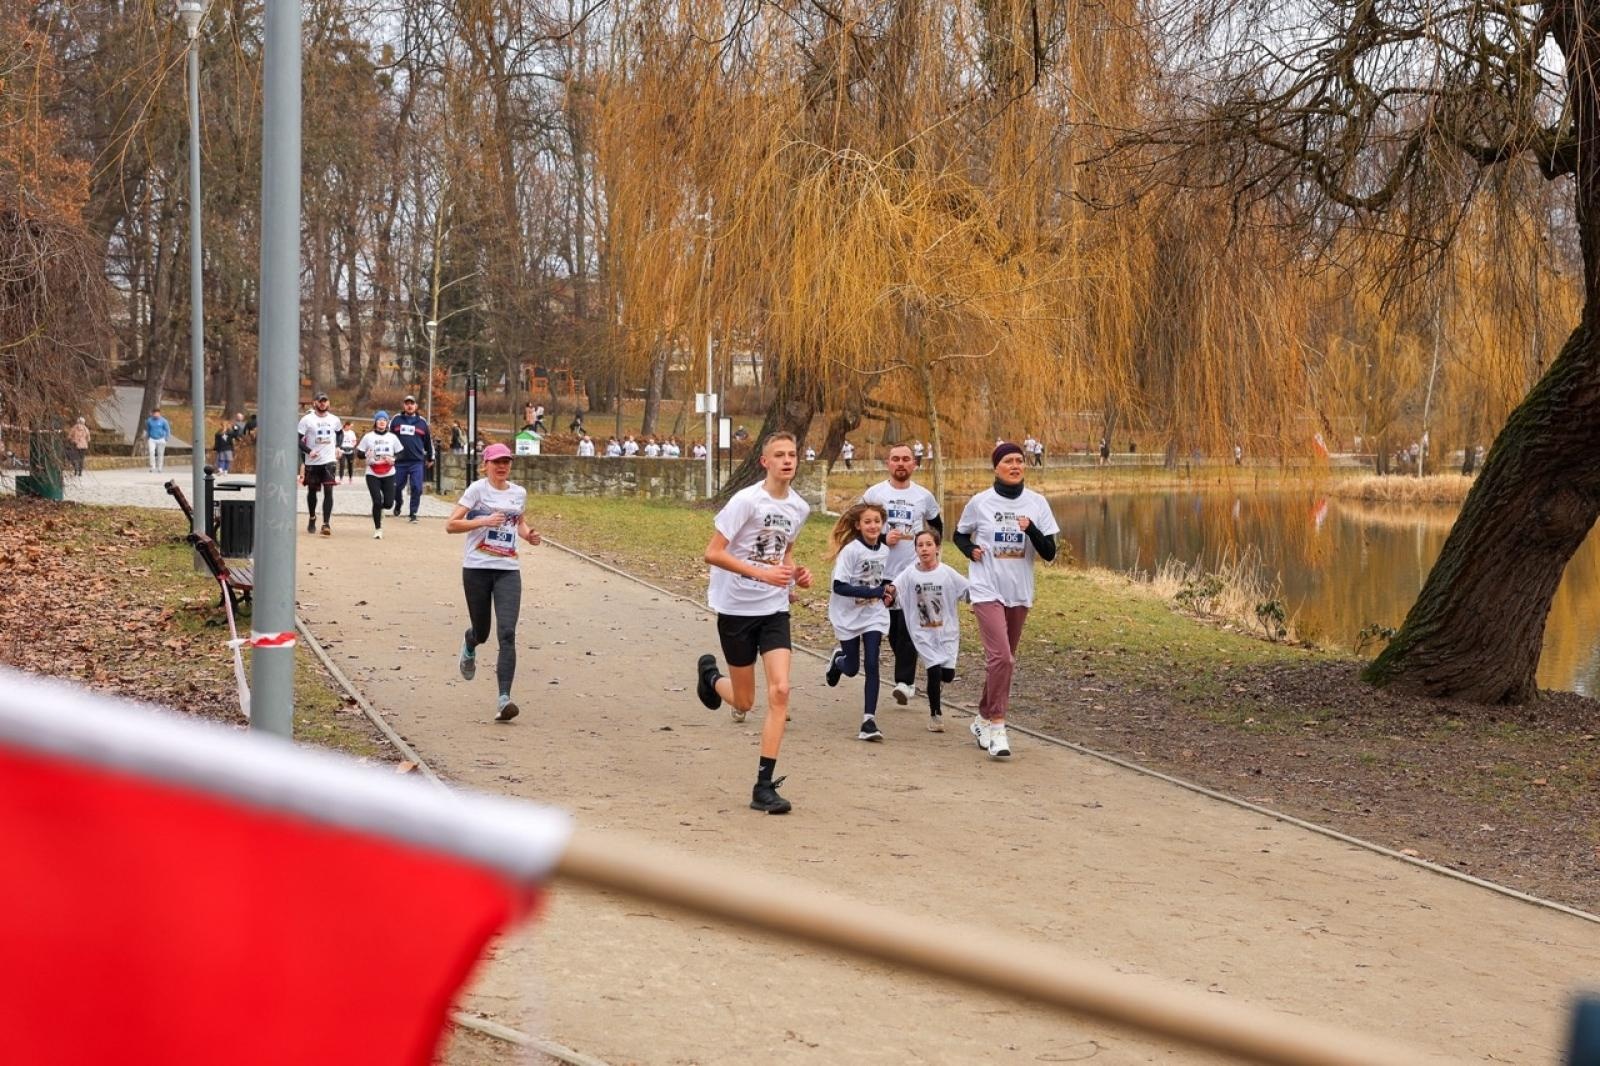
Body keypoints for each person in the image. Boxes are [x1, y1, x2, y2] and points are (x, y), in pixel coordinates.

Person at [693, 432, 814, 814]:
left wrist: (795, 576)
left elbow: (785, 554)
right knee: (745, 700)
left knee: (781, 691)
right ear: (765, 462)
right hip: (736, 609)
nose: (787, 460)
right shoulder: (746, 501)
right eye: (779, 455)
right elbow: (713, 553)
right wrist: (761, 574)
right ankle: (711, 677)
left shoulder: (799, 507)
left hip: (773, 610)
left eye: (792, 454)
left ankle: (763, 787)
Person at [954, 441, 1060, 760]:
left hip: (1019, 590)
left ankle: (982, 718)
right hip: (986, 587)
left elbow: (1050, 553)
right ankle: (998, 726)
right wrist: (970, 550)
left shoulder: (1037, 503)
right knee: (1002, 657)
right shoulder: (980, 502)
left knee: (1003, 661)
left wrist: (1032, 530)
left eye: (1019, 460)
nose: (1015, 466)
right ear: (996, 467)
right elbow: (960, 534)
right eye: (1009, 461)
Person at [447, 442, 542, 722]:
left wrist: (528, 535)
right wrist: (483, 521)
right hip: (476, 569)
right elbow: (451, 525)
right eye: (496, 462)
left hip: (507, 570)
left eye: (506, 462)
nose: (502, 466)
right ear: (486, 464)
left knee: (507, 633)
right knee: (483, 632)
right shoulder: (476, 490)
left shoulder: (518, 493)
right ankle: (470, 642)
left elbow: (518, 523)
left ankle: (504, 699)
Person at [861, 442, 943, 706]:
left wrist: (932, 555)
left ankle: (904, 683)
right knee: (892, 631)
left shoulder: (924, 496)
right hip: (880, 573)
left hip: (912, 574)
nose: (900, 463)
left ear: (914, 464)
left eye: (906, 459)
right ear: (888, 463)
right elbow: (857, 528)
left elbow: (937, 527)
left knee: (909, 627)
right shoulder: (875, 494)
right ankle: (905, 676)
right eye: (895, 459)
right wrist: (882, 538)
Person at [822, 503, 894, 742]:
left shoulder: (885, 551)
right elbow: (839, 586)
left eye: (877, 521)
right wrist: (873, 592)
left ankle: (868, 721)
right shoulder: (850, 551)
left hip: (873, 614)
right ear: (858, 525)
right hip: (847, 614)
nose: (873, 526)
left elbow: (880, 581)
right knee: (852, 668)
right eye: (867, 522)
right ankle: (839, 661)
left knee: (872, 662)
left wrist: (887, 592)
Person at [887, 529, 969, 732]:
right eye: (920, 545)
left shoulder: (947, 573)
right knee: (933, 670)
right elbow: (895, 588)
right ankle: (935, 715)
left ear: (937, 548)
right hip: (922, 632)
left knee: (947, 675)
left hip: (947, 631)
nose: (924, 549)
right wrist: (889, 594)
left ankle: (937, 684)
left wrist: (981, 600)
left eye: (929, 544)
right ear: (915, 549)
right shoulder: (910, 573)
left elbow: (967, 590)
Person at [297, 393, 342, 536]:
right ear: (314, 403)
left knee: (328, 490)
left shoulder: (334, 419)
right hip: (312, 461)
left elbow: (340, 433)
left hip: (329, 460)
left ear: (329, 403)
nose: (323, 403)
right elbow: (296, 439)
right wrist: (309, 451)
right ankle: (312, 517)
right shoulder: (307, 420)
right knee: (312, 491)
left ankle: (326, 523)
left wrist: (338, 446)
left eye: (325, 401)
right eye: (320, 401)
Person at [357, 411, 402, 539]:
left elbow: (401, 453)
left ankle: (381, 510)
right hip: (372, 473)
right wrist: (366, 454)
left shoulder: (392, 437)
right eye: (379, 420)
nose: (382, 422)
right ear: (375, 422)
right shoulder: (368, 437)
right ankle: (378, 529)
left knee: (388, 504)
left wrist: (394, 459)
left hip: (389, 473)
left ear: (387, 423)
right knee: (377, 501)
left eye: (384, 420)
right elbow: (359, 453)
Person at [389, 395, 433, 524]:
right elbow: (389, 438)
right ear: (404, 406)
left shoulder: (422, 422)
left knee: (417, 487)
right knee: (396, 487)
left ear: (416, 406)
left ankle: (413, 513)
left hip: (416, 461)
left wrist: (430, 457)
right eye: (407, 403)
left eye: (412, 403)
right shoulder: (396, 419)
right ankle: (398, 503)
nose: (409, 406)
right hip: (399, 461)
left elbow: (428, 441)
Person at [145, 408, 171, 472]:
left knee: (160, 453)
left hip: (161, 439)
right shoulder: (149, 421)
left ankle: (159, 467)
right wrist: (147, 436)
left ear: (159, 414)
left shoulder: (163, 421)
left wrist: (166, 438)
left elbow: (167, 430)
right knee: (151, 452)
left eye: (157, 414)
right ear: (152, 414)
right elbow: (148, 429)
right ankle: (152, 466)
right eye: (154, 414)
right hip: (152, 439)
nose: (156, 415)